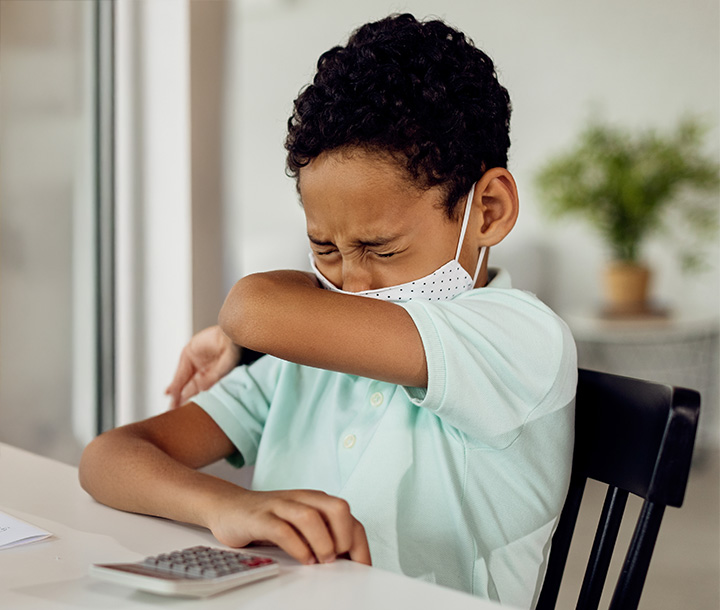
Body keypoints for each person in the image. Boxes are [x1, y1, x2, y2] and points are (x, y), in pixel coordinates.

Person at [79, 13, 577, 608]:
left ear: (488, 211)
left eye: (380, 248)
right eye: (324, 249)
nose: (351, 280)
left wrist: (248, 330)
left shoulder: (522, 338)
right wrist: (228, 505)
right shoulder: (300, 368)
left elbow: (252, 309)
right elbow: (108, 458)